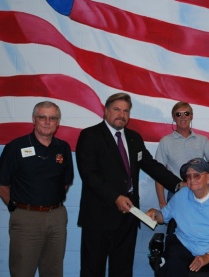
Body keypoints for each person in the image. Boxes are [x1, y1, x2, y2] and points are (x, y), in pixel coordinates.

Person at [76, 92, 184, 277]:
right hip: (98, 217)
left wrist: (178, 184)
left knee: (123, 269)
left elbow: (151, 166)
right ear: (106, 111)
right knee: (93, 269)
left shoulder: (134, 138)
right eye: (117, 109)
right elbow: (89, 175)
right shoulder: (90, 135)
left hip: (128, 217)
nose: (122, 114)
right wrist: (115, 197)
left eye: (126, 111)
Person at [0, 101, 74, 277]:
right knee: (22, 271)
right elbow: (1, 186)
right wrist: (16, 209)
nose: (47, 122)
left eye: (52, 118)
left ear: (58, 121)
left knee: (53, 271)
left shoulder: (63, 148)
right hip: (26, 217)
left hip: (57, 216)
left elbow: (65, 183)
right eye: (42, 117)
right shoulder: (15, 147)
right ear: (34, 119)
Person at [146, 158, 209, 277]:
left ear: (208, 178)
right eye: (188, 176)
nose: (191, 180)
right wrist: (154, 213)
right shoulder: (180, 196)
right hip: (185, 246)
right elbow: (162, 217)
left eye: (197, 176)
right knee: (171, 262)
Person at [155, 101, 209, 208]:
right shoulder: (165, 142)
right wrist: (162, 202)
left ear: (191, 116)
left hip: (201, 192)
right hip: (177, 193)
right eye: (178, 114)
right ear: (174, 118)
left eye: (186, 113)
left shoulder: (202, 140)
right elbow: (158, 174)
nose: (183, 117)